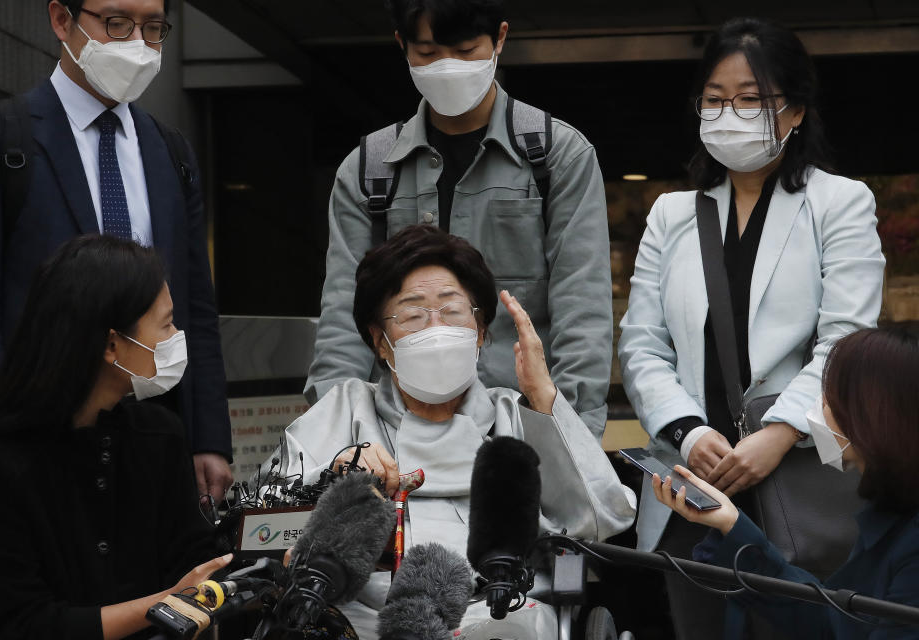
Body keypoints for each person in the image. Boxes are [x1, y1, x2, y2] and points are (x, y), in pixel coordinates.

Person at [617, 17, 885, 639]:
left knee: (806, 622)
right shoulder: (670, 214)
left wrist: (779, 432)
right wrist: (685, 430)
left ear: (795, 111)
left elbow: (845, 342)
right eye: (714, 99)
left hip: (799, 486)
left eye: (751, 99)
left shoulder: (841, 203)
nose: (729, 113)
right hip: (695, 484)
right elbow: (641, 342)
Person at [264, 225, 636, 639]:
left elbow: (603, 518)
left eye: (452, 311)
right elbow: (263, 519)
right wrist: (334, 476)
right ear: (380, 341)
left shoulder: (515, 417)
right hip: (356, 623)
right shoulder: (346, 408)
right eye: (413, 315)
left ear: (479, 331)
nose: (435, 329)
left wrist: (542, 395)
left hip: (500, 619)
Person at [0, 0, 233, 502]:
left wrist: (210, 437)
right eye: (117, 24)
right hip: (37, 433)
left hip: (154, 431)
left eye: (153, 29)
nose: (137, 45)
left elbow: (196, 302)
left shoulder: (171, 150)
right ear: (62, 20)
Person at [306, 0, 614, 439]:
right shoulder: (368, 169)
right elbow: (342, 316)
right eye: (429, 55)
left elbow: (582, 312)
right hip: (397, 433)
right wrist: (337, 438)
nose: (448, 67)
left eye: (467, 50)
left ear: (500, 39)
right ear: (402, 45)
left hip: (520, 427)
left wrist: (570, 438)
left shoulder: (557, 157)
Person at [0, 235, 229, 640]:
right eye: (167, 323)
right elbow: (19, 623)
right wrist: (167, 604)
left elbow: (193, 560)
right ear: (111, 344)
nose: (176, 337)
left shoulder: (158, 435)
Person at [651, 328, 919, 639]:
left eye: (829, 397)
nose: (817, 409)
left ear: (868, 412)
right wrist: (731, 523)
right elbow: (833, 618)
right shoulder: (893, 512)